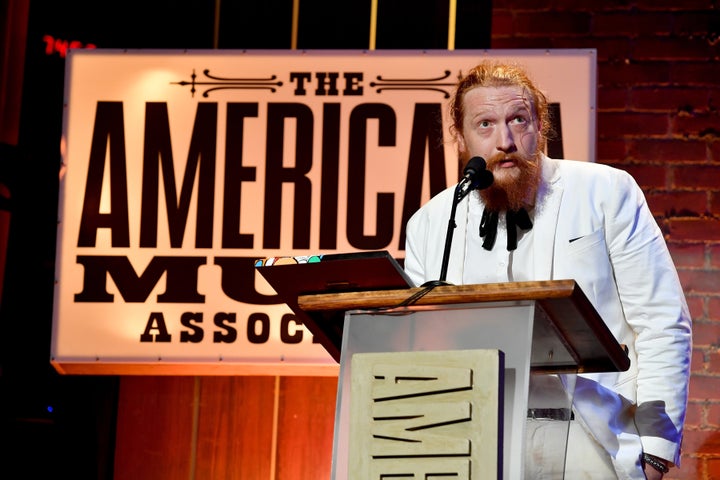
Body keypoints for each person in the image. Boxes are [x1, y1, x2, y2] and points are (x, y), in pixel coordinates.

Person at [403, 60, 692, 479]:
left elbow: (662, 320)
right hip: (476, 442)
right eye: (484, 124)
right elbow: (415, 344)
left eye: (518, 119)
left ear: (540, 126)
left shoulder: (606, 192)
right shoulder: (431, 223)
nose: (504, 140)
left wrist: (656, 452)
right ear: (460, 138)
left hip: (594, 439)